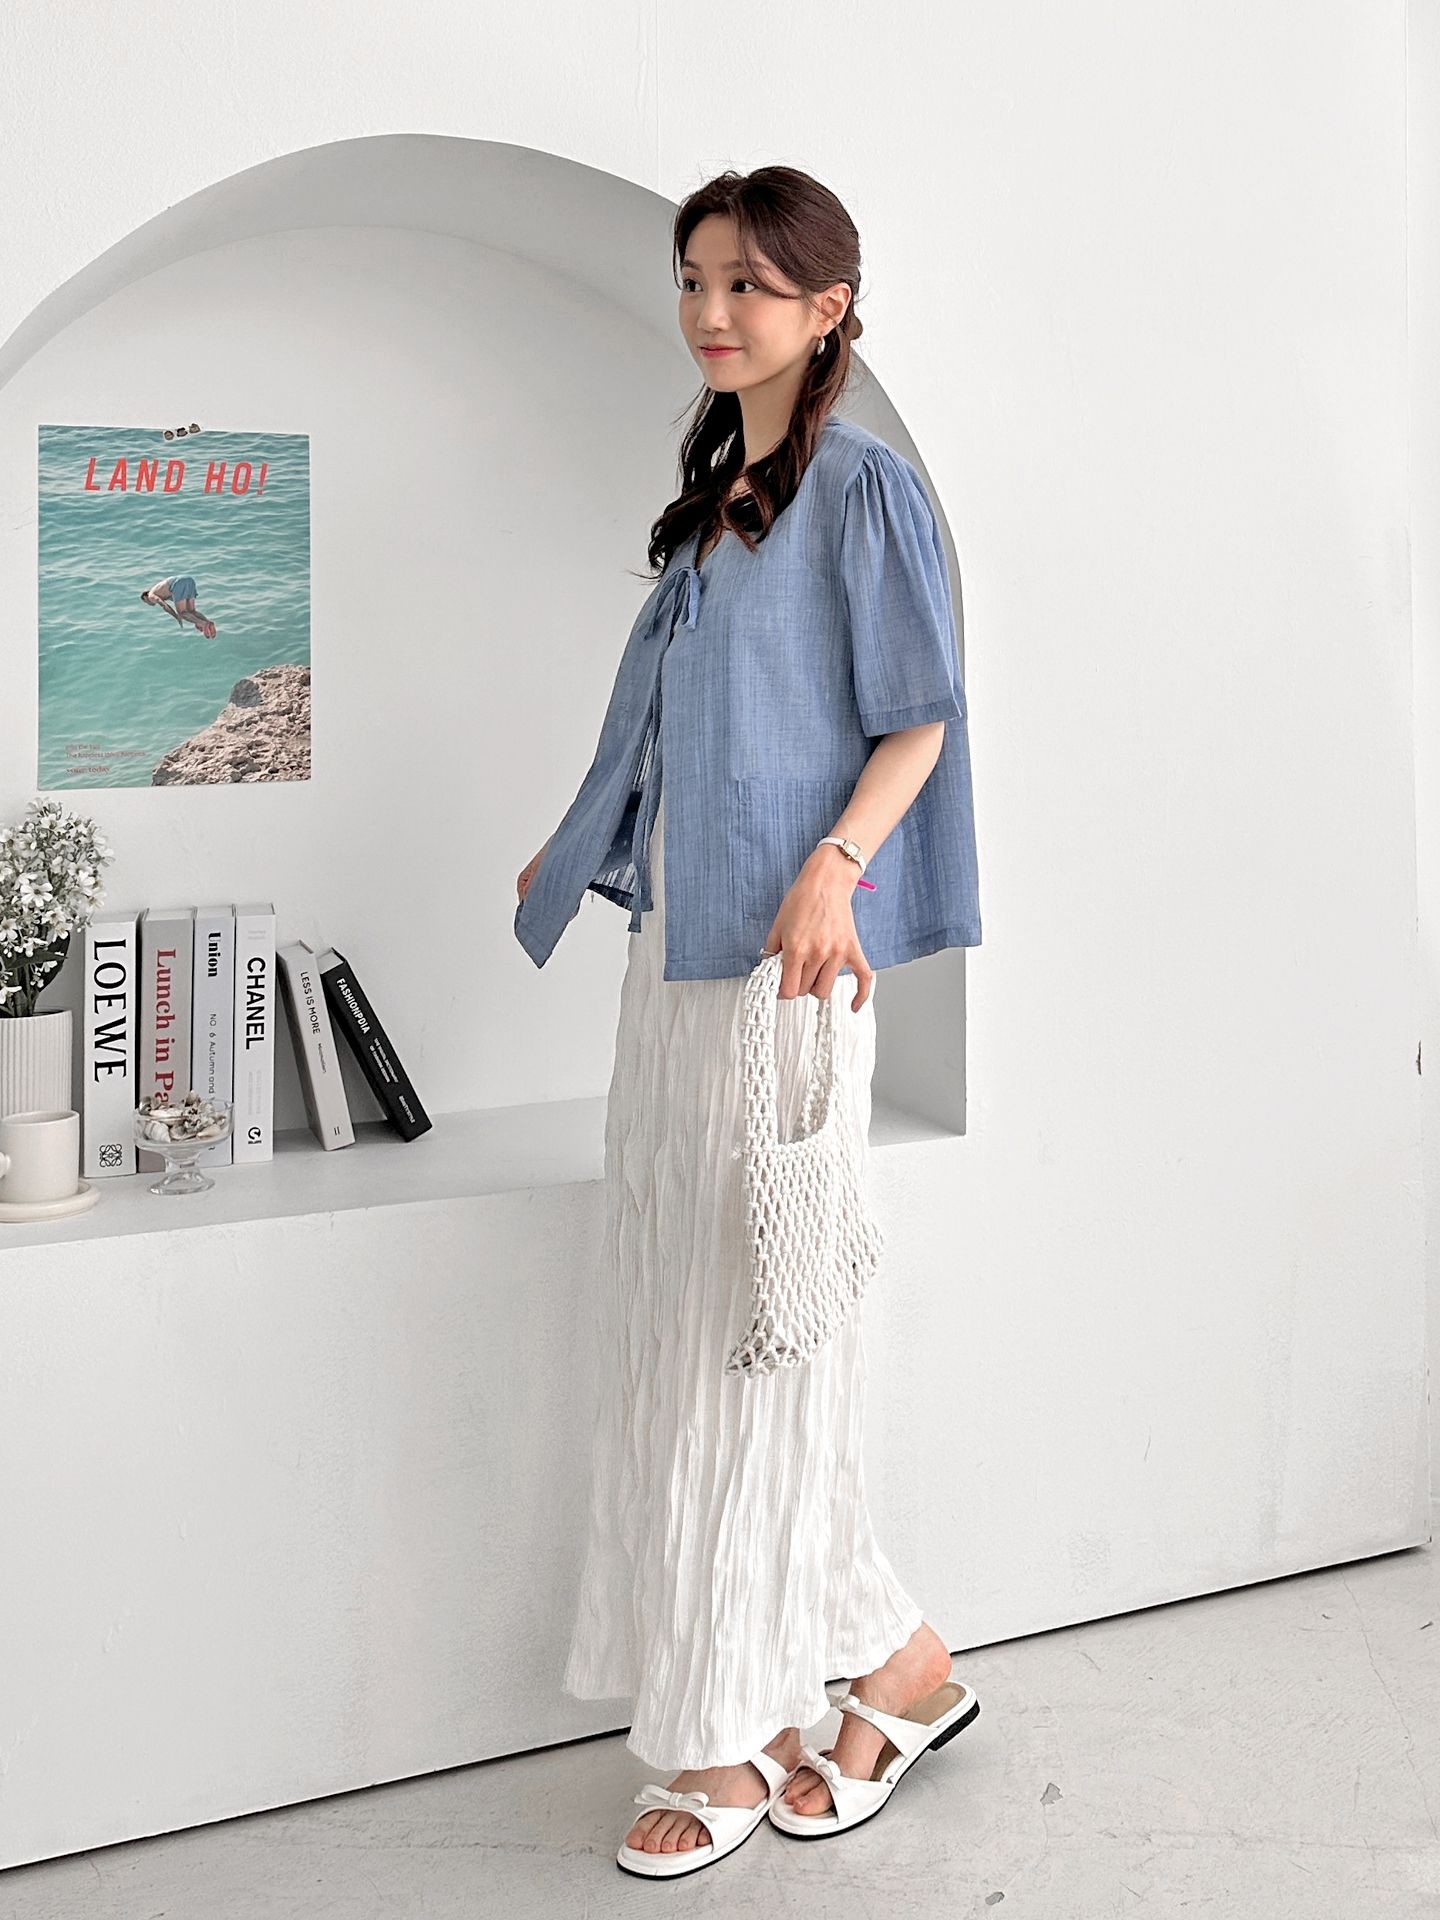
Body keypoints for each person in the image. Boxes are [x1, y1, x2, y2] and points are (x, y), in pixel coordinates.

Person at [513, 166, 982, 1878]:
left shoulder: (864, 490)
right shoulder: (720, 503)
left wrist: (838, 868)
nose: (713, 313)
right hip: (680, 961)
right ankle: (888, 1662)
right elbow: (683, 732)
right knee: (691, 1317)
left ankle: (721, 1730)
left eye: (751, 286)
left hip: (789, 969)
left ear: (828, 305)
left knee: (745, 1333)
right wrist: (583, 841)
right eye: (696, 280)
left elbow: (919, 718)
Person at [140, 573, 217, 639]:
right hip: (189, 580)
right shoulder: (160, 591)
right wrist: (195, 620)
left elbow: (164, 605)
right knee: (192, 611)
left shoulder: (150, 595)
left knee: (182, 613)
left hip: (178, 583)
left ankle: (203, 624)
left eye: (145, 602)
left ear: (145, 597)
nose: (148, 603)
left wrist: (177, 617)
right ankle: (208, 622)